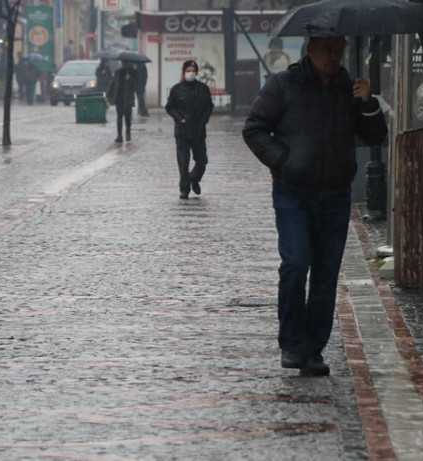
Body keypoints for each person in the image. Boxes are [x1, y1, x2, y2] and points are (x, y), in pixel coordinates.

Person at [242, 36, 387, 376]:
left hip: (335, 195)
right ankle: (291, 344)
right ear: (309, 50)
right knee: (295, 263)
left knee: (325, 275)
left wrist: (368, 103)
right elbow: (254, 129)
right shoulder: (283, 85)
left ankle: (312, 350)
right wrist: (284, 162)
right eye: (326, 49)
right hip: (293, 192)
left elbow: (376, 136)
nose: (333, 55)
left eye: (338, 49)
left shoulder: (351, 90)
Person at [165, 60, 214, 200]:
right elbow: (170, 107)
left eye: (193, 70)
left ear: (197, 72)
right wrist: (179, 118)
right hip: (182, 131)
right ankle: (184, 188)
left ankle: (194, 178)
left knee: (202, 161)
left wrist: (204, 120)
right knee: (183, 161)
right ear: (184, 72)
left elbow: (208, 107)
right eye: (188, 70)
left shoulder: (203, 89)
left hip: (198, 130)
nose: (190, 73)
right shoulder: (177, 89)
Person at [105, 59, 137, 143]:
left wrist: (129, 79)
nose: (123, 63)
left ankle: (128, 133)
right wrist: (108, 95)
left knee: (127, 117)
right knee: (119, 117)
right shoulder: (118, 72)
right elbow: (112, 84)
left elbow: (136, 85)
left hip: (128, 98)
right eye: (122, 62)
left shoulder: (132, 72)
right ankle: (119, 135)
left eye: (124, 62)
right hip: (119, 98)